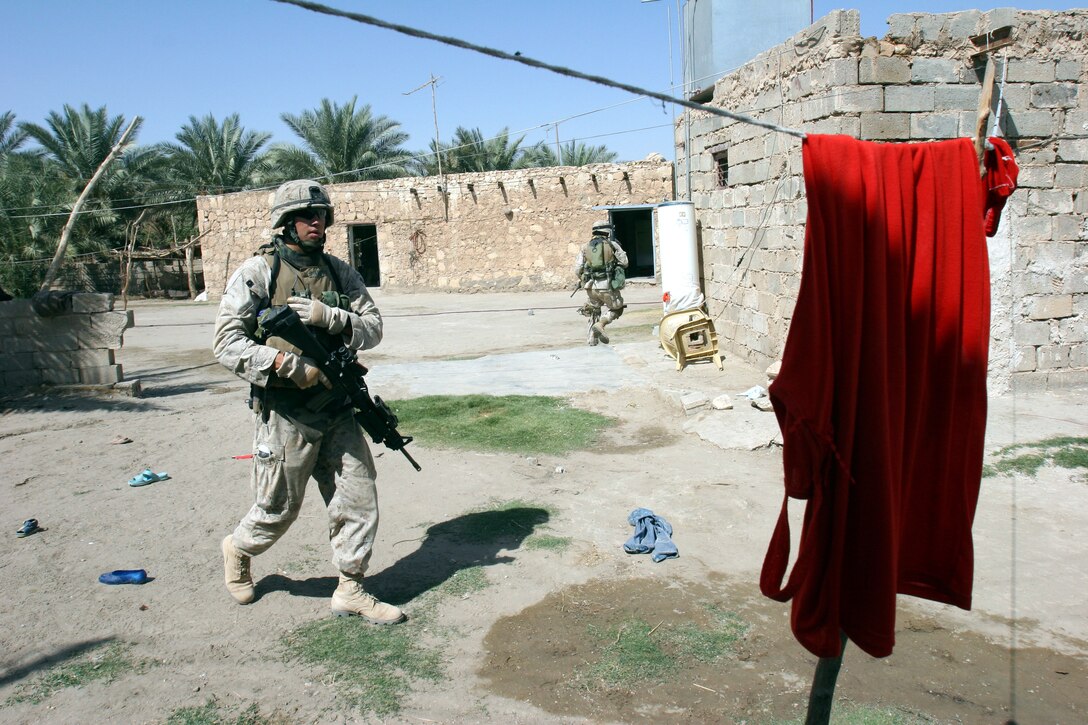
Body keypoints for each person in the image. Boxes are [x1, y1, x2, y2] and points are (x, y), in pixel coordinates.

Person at [213, 179, 405, 625]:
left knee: (358, 499)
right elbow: (226, 342)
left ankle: (351, 588)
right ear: (285, 224)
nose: (317, 223)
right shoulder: (257, 273)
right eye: (306, 216)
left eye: (321, 216)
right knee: (277, 509)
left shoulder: (340, 272)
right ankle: (239, 548)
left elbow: (373, 327)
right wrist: (284, 363)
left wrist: (334, 318)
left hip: (337, 407)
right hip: (286, 415)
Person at [574, 220, 629, 345]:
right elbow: (625, 263)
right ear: (607, 231)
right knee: (617, 308)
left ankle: (592, 339)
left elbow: (577, 269)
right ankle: (601, 324)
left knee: (594, 309)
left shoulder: (585, 247)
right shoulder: (613, 245)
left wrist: (582, 278)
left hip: (590, 286)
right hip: (607, 285)